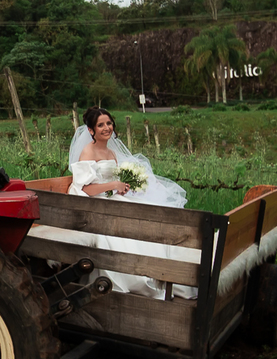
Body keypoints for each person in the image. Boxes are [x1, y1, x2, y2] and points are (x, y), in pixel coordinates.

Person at [41, 106, 195, 300]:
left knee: (145, 212)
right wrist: (113, 184)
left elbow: (111, 183)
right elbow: (85, 188)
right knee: (124, 228)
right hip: (90, 202)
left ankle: (164, 271)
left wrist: (120, 187)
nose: (107, 128)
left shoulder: (111, 152)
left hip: (107, 196)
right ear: (91, 130)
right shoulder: (88, 152)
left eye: (109, 123)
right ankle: (136, 276)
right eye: (100, 125)